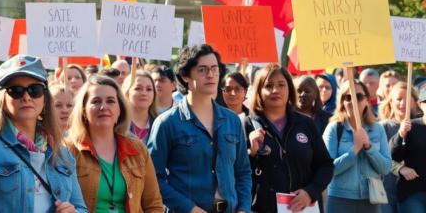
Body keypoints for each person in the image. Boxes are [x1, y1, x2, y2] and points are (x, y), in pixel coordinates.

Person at [0, 55, 86, 212]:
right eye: (16, 91)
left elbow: (81, 207)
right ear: (3, 100)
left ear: (45, 98)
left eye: (35, 90)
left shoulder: (62, 153)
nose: (26, 97)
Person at [148, 44, 251, 213]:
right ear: (185, 76)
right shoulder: (167, 123)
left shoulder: (232, 120)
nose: (210, 75)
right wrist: (191, 209)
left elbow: (243, 172)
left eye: (214, 69)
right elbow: (152, 178)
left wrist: (244, 209)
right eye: (202, 70)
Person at [66, 75, 163, 213]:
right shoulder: (67, 150)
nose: (104, 107)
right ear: (83, 111)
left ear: (120, 109)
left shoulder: (138, 149)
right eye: (96, 101)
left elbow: (153, 206)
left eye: (111, 101)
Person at [244, 64, 334, 213]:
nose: (275, 90)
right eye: (268, 86)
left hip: (302, 208)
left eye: (281, 85)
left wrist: (310, 192)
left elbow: (326, 165)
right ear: (258, 90)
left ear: (289, 89)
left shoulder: (306, 124)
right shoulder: (245, 125)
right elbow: (235, 173)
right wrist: (251, 153)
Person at [323, 79, 391, 213]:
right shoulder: (334, 128)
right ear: (342, 101)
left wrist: (369, 148)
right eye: (348, 97)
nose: (354, 101)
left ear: (367, 100)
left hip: (371, 199)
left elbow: (386, 168)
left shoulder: (378, 129)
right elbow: (328, 169)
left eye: (359, 96)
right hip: (339, 200)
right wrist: (354, 150)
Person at [380, 82, 422, 213]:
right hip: (386, 191)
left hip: (412, 191)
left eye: (408, 99)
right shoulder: (383, 127)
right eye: (398, 99)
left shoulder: (420, 126)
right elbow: (379, 157)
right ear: (390, 102)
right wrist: (400, 168)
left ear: (415, 102)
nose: (403, 103)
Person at [389, 85, 426, 212]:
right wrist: (401, 135)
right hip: (412, 193)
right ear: (420, 104)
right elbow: (393, 155)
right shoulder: (410, 126)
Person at [125, 70, 159, 145]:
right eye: (138, 88)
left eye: (149, 89)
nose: (144, 93)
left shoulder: (161, 124)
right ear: (127, 93)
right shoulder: (118, 124)